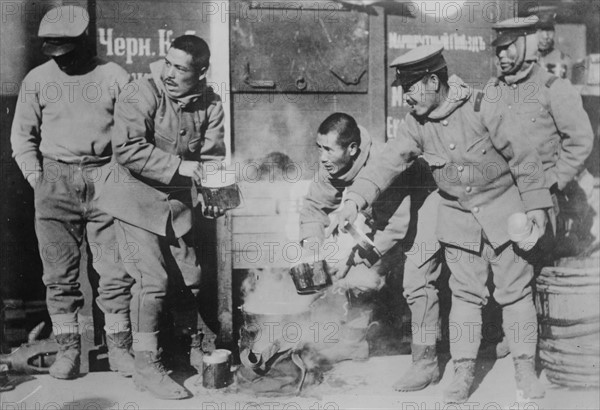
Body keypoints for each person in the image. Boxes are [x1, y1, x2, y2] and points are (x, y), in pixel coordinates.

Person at [336, 44, 553, 403]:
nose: (405, 97)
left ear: (433, 82)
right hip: (458, 221)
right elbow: (386, 163)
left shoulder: (485, 105)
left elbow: (525, 157)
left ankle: (525, 372)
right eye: (402, 90)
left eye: (410, 89)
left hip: (504, 214)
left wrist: (537, 208)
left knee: (515, 294)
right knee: (466, 298)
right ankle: (462, 373)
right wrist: (354, 201)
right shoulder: (415, 125)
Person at [97, 35, 225, 399]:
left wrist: (215, 196)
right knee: (152, 283)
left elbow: (213, 158)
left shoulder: (211, 104)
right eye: (168, 63)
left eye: (181, 68)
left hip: (175, 208)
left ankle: (181, 351)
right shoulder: (141, 92)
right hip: (133, 201)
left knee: (193, 277)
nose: (170, 73)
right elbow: (127, 149)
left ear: (200, 72)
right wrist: (183, 167)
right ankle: (146, 365)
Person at [10, 5, 134, 379]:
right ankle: (69, 352)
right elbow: (22, 137)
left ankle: (120, 350)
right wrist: (39, 179)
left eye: (68, 53)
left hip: (106, 179)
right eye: (54, 54)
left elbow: (132, 135)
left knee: (115, 272)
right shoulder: (36, 79)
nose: (61, 62)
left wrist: (119, 176)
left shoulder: (114, 76)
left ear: (84, 42)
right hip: (55, 182)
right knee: (59, 278)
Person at [299, 113, 443, 390]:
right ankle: (354, 344)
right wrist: (312, 250)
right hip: (389, 221)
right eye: (319, 148)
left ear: (352, 149)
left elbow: (395, 228)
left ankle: (426, 362)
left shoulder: (383, 163)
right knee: (355, 273)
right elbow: (313, 207)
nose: (322, 157)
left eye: (328, 149)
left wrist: (352, 259)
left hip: (425, 210)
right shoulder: (333, 165)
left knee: (417, 282)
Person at [491, 17, 594, 257]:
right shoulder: (494, 90)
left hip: (541, 198)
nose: (502, 55)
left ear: (527, 46)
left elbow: (580, 140)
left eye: (509, 47)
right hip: (501, 194)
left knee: (526, 267)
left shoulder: (554, 88)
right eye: (499, 48)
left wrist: (555, 179)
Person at [535, 12, 573, 81]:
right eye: (540, 31)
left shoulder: (564, 60)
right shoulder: (522, 61)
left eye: (549, 30)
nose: (545, 36)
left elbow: (569, 90)